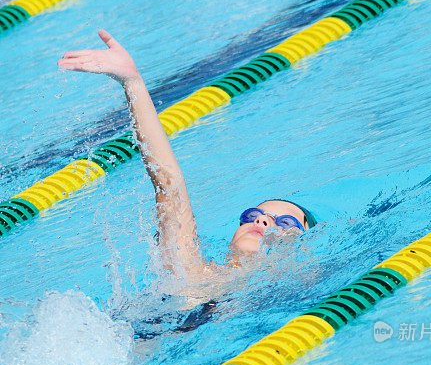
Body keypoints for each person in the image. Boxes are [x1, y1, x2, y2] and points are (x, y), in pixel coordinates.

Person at [57, 30, 317, 290]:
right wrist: (132, 82)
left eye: (283, 223)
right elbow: (169, 186)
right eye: (253, 215)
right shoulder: (193, 274)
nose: (261, 221)